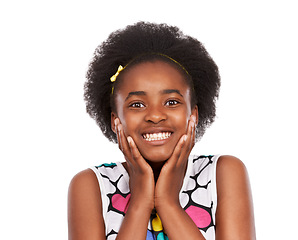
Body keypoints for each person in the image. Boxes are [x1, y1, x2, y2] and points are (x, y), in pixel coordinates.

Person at [68, 22, 256, 240]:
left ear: (193, 115)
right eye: (137, 104)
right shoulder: (91, 186)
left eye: (171, 102)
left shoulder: (223, 173)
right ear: (115, 120)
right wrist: (139, 202)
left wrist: (168, 202)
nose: (155, 115)